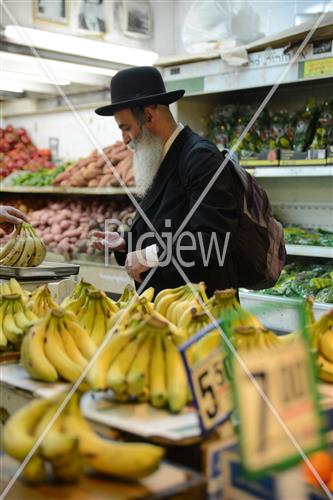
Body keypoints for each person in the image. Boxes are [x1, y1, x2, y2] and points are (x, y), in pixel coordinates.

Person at [93, 66, 243, 297]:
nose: (124, 140)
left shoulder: (200, 157)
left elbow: (213, 240)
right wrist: (126, 242)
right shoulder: (160, 156)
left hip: (200, 310)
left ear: (149, 117)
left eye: (126, 128)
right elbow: (168, 226)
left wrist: (147, 256)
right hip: (169, 308)